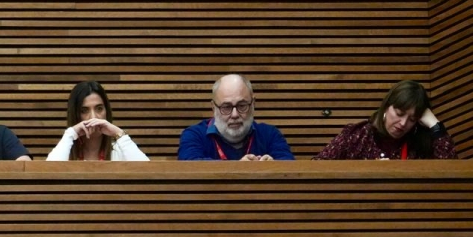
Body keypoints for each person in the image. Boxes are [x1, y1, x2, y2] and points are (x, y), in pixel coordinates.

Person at [314, 80, 457, 160]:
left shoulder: (420, 143)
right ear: (387, 106)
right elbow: (317, 167)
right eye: (399, 113)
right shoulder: (357, 136)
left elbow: (452, 173)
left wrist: (435, 126)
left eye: (412, 119)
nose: (403, 123)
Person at [178, 74, 294, 161]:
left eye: (242, 106)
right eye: (226, 107)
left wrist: (275, 167)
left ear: (253, 104)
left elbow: (291, 170)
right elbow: (190, 168)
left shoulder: (270, 135)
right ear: (214, 108)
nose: (234, 115)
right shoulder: (194, 135)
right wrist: (238, 168)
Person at [46, 81, 148, 161]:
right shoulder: (65, 151)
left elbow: (147, 172)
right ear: (75, 115)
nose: (93, 117)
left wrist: (119, 134)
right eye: (84, 110)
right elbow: (47, 176)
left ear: (106, 111)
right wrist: (70, 134)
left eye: (99, 109)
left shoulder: (120, 150)